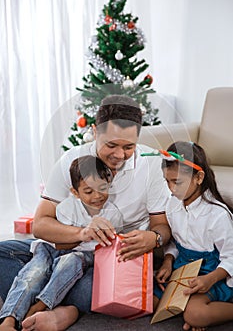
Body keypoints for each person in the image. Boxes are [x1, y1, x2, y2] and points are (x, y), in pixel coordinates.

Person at [0, 95, 171, 331]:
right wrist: (82, 233)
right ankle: (61, 299)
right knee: (7, 253)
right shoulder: (71, 160)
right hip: (67, 248)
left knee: (90, 284)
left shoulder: (151, 165)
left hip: (112, 264)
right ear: (94, 131)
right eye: (111, 145)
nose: (119, 155)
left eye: (128, 146)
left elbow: (161, 226)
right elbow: (40, 225)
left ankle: (60, 305)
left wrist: (155, 238)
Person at [0, 155, 124, 331]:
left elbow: (105, 251)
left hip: (81, 257)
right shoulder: (66, 208)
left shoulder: (113, 215)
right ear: (75, 192)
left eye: (102, 188)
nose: (97, 196)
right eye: (88, 192)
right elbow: (58, 245)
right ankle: (9, 319)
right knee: (33, 273)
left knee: (70, 263)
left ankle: (40, 306)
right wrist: (84, 234)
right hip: (50, 249)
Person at [153, 141, 233, 331]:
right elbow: (174, 242)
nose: (172, 189)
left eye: (177, 182)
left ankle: (205, 312)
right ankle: (201, 312)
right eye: (168, 181)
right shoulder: (173, 204)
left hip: (213, 273)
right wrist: (168, 260)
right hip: (183, 270)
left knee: (195, 315)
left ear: (198, 178)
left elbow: (231, 257)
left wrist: (210, 279)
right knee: (150, 303)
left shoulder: (218, 215)